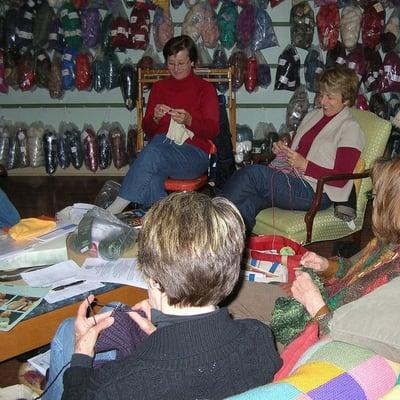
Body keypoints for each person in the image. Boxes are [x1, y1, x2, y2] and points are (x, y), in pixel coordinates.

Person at [44, 192, 281, 400]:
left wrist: (81, 357)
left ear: (153, 279)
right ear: (230, 274)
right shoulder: (259, 337)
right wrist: (162, 335)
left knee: (69, 331)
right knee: (114, 309)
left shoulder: (119, 383)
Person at [225, 154, 400, 343]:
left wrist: (314, 304)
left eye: (376, 196)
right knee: (230, 291)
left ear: (397, 206)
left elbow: (356, 340)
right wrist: (327, 265)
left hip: (316, 332)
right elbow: (355, 269)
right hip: (322, 304)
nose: (374, 203)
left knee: (235, 325)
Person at [221, 66, 365, 234]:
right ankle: (225, 247)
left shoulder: (350, 128)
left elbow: (341, 178)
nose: (323, 101)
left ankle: (207, 223)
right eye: (321, 94)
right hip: (292, 178)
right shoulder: (314, 116)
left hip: (316, 192)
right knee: (247, 203)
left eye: (330, 97)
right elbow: (298, 142)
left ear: (346, 99)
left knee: (252, 174)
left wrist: (305, 165)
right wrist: (283, 144)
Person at [105, 35, 219, 214]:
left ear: (193, 62)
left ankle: (113, 210)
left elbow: (212, 130)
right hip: (161, 151)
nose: (175, 68)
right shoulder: (159, 88)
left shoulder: (205, 89)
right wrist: (155, 118)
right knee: (153, 172)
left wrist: (190, 121)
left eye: (181, 63)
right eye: (171, 63)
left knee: (152, 153)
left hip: (194, 156)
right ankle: (159, 219)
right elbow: (148, 128)